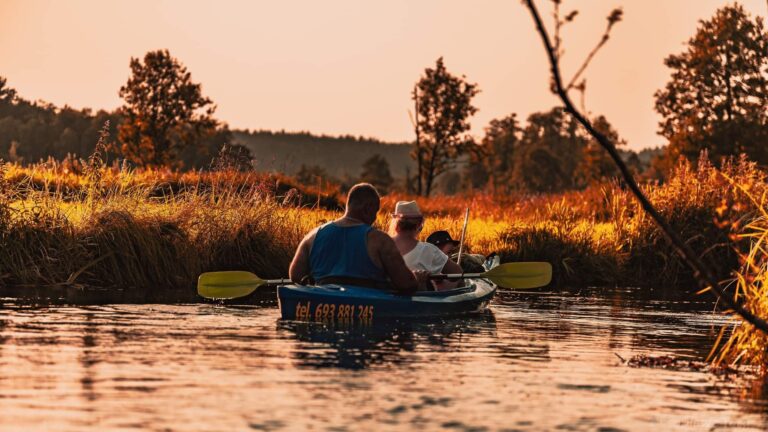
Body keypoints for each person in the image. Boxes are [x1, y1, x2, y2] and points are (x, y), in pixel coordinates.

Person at [289, 183, 428, 292]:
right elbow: (406, 284)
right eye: (375, 212)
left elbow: (295, 276)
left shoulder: (312, 236)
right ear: (367, 208)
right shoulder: (380, 240)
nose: (374, 218)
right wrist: (418, 280)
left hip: (323, 303)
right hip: (366, 310)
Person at [388, 201, 463, 290]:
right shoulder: (428, 250)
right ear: (419, 224)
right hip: (414, 300)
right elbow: (458, 274)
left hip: (383, 297)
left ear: (396, 222)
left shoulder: (382, 244)